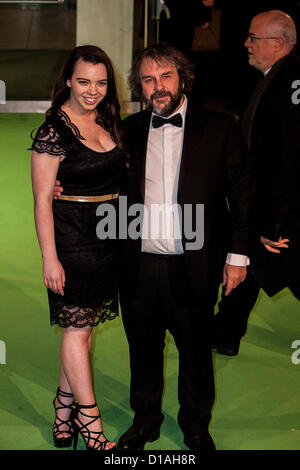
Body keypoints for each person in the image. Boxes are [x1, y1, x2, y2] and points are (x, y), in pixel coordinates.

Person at [116, 43, 255, 450]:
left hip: (194, 261)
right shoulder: (128, 129)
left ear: (182, 79)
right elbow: (106, 188)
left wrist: (238, 256)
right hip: (139, 261)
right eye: (147, 79)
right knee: (142, 348)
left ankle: (195, 425)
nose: (157, 86)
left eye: (165, 76)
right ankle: (145, 421)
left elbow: (243, 195)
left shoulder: (220, 126)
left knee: (195, 348)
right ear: (139, 86)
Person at [31, 45, 126, 450]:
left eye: (101, 82)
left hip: (108, 237)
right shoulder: (54, 130)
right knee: (76, 329)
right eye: (84, 81)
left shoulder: (107, 119)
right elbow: (40, 200)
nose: (93, 90)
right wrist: (50, 258)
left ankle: (62, 408)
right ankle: (91, 422)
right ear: (68, 79)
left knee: (82, 332)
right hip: (71, 240)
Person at [211, 10, 300, 357]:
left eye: (253, 38)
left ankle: (223, 332)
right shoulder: (275, 78)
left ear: (277, 44)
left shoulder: (291, 85)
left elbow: (290, 160)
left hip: (283, 211)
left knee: (268, 264)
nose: (246, 43)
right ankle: (223, 333)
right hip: (267, 204)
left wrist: (274, 221)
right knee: (247, 264)